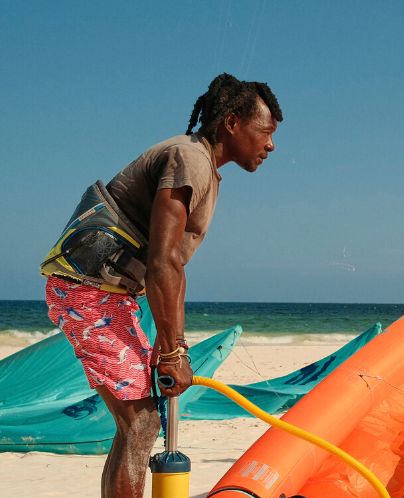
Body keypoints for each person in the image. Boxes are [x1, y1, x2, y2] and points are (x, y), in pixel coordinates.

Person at [40, 73, 281, 498]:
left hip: (108, 295)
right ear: (232, 123)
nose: (271, 145)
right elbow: (162, 262)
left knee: (138, 422)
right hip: (88, 294)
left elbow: (174, 268)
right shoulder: (189, 159)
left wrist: (174, 345)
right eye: (266, 132)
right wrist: (171, 352)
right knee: (140, 422)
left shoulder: (200, 166)